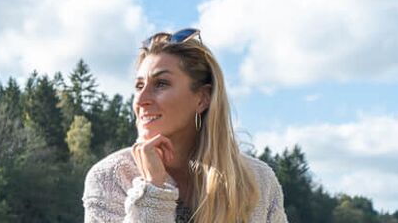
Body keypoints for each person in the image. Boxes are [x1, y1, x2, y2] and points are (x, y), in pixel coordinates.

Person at [82, 28, 286, 222]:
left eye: (161, 84)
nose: (141, 99)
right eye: (139, 86)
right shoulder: (111, 177)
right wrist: (153, 190)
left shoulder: (258, 180)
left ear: (202, 99)